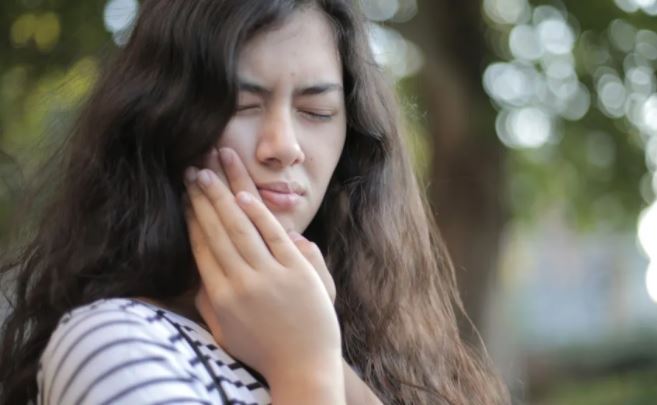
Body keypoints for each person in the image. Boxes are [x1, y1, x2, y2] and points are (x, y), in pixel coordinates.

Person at [0, 0, 509, 404]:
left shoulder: (368, 352)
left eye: (317, 111)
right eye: (243, 104)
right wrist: (302, 368)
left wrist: (323, 356)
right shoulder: (113, 344)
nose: (283, 146)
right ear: (162, 122)